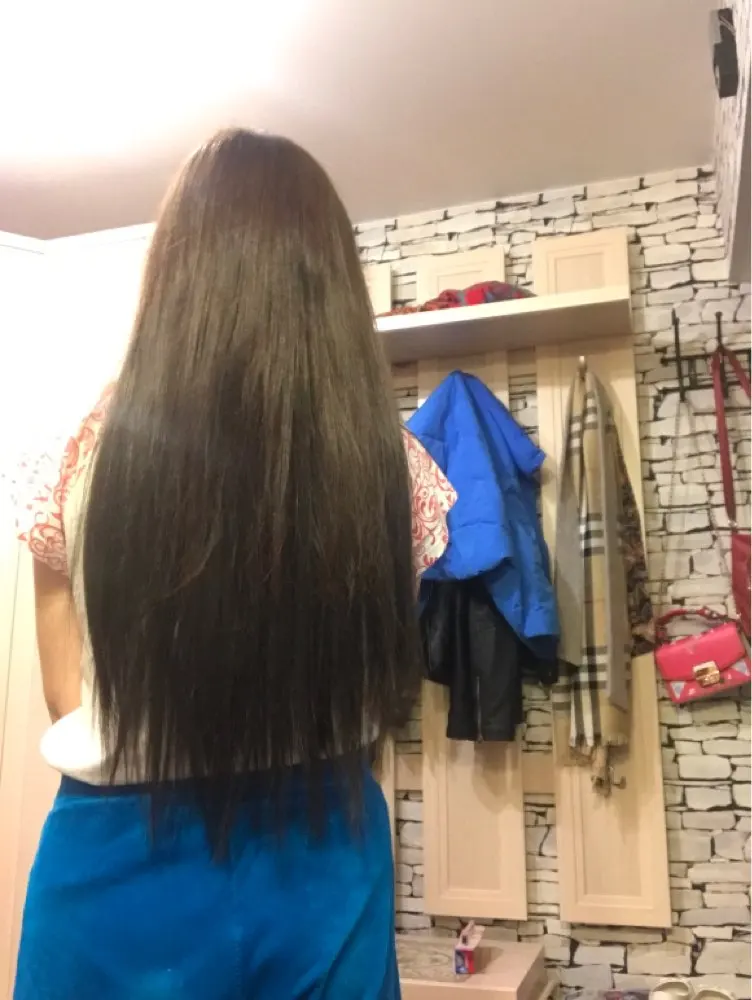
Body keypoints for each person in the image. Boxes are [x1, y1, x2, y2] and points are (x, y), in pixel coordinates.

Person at [14, 128, 456, 1000]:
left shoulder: (83, 449)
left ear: (173, 274)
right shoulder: (394, 467)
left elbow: (66, 689)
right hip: (324, 847)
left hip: (120, 861)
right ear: (331, 282)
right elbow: (371, 661)